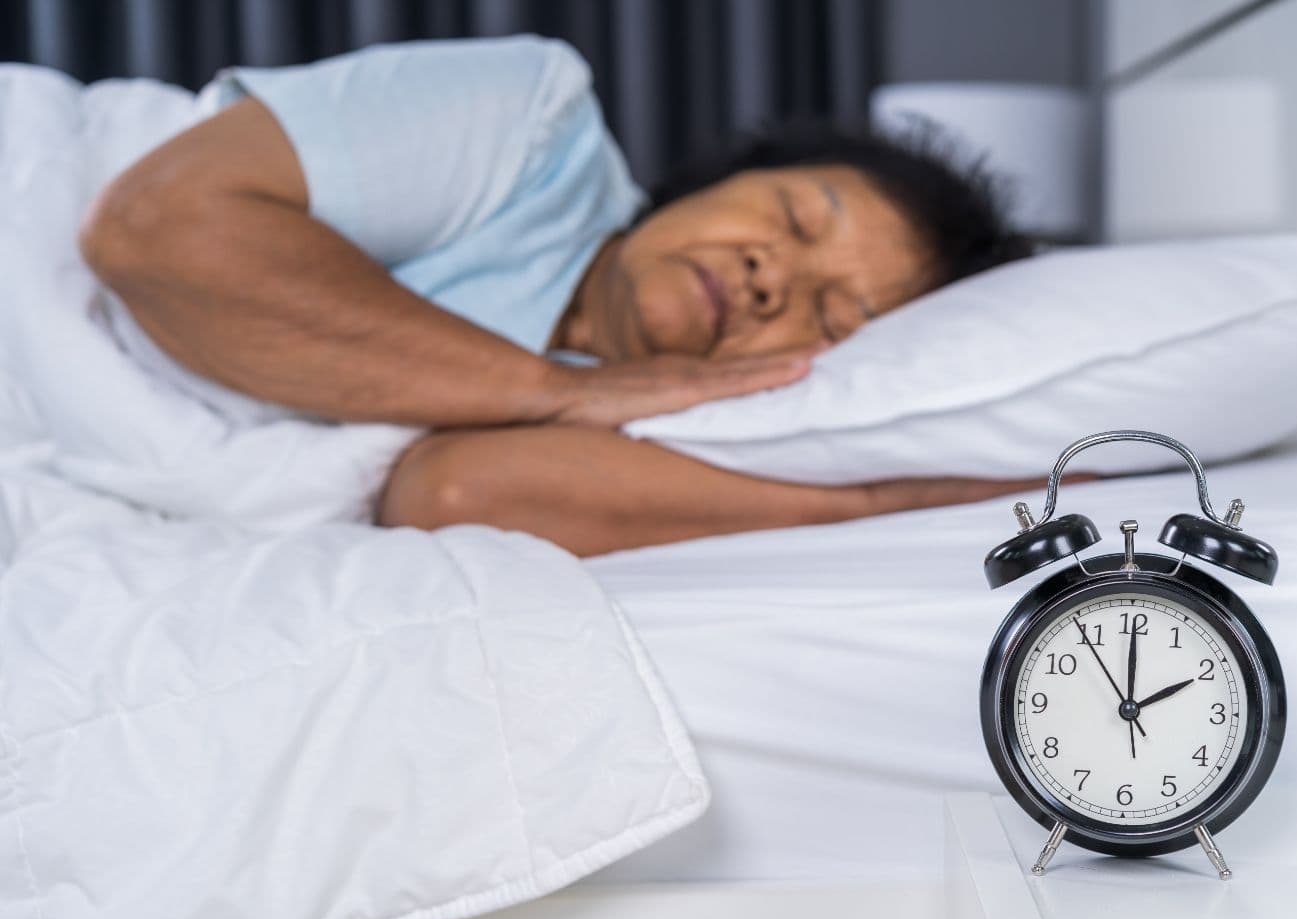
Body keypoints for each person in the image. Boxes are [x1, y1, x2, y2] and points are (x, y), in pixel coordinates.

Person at [80, 36, 1038, 556]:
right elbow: (151, 228)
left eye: (827, 318)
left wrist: (892, 500)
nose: (768, 276)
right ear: (716, 178)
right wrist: (554, 388)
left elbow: (447, 494)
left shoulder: (669, 422)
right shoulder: (536, 127)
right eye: (792, 217)